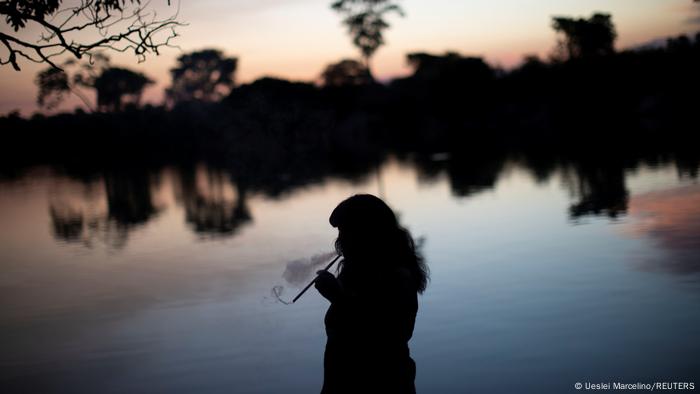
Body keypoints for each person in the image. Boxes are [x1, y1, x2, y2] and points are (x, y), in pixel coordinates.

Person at [315, 194, 429, 393]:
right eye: (340, 233)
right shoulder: (355, 272)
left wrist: (338, 298)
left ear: (369, 233)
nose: (340, 241)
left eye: (347, 232)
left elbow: (384, 335)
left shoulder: (398, 278)